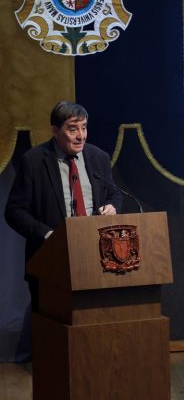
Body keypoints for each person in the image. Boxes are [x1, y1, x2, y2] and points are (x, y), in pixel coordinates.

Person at [5, 101, 123, 309]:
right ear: (55, 131)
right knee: (53, 331)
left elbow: (113, 193)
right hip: (50, 262)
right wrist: (48, 235)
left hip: (95, 258)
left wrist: (112, 206)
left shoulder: (98, 158)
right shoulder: (33, 162)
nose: (81, 136)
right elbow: (14, 211)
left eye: (84, 127)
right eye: (73, 129)